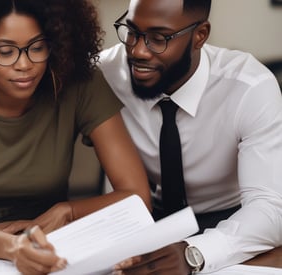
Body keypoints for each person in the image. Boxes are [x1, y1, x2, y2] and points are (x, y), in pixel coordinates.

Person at [0, 0, 152, 274]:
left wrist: (69, 211)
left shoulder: (81, 83)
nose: (25, 64)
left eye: (37, 47)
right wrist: (12, 247)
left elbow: (137, 196)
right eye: (6, 52)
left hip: (52, 246)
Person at [98, 0, 282, 274]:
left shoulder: (249, 87)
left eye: (158, 39)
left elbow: (271, 207)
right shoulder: (107, 73)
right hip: (141, 221)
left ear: (200, 35)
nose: (137, 50)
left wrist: (194, 253)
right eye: (132, 31)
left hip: (231, 222)